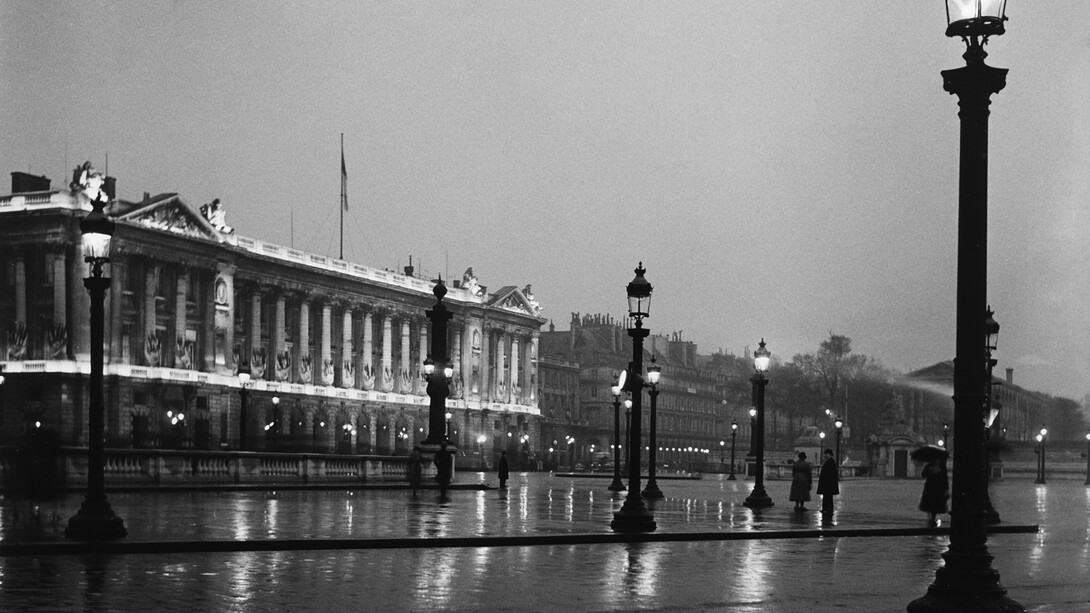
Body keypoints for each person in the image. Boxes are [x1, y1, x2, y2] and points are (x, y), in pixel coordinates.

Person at [919, 457, 949, 527]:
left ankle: (932, 518)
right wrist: (930, 471)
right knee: (929, 504)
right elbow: (923, 475)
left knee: (936, 505)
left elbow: (945, 478)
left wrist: (946, 489)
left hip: (939, 489)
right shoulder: (929, 466)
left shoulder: (942, 467)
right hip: (930, 488)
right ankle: (931, 518)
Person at [816, 448, 840, 518]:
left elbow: (829, 475)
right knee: (828, 497)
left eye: (826, 454)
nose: (825, 455)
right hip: (829, 484)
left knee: (827, 497)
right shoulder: (831, 462)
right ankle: (827, 508)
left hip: (827, 484)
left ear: (829, 455)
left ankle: (826, 509)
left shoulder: (829, 463)